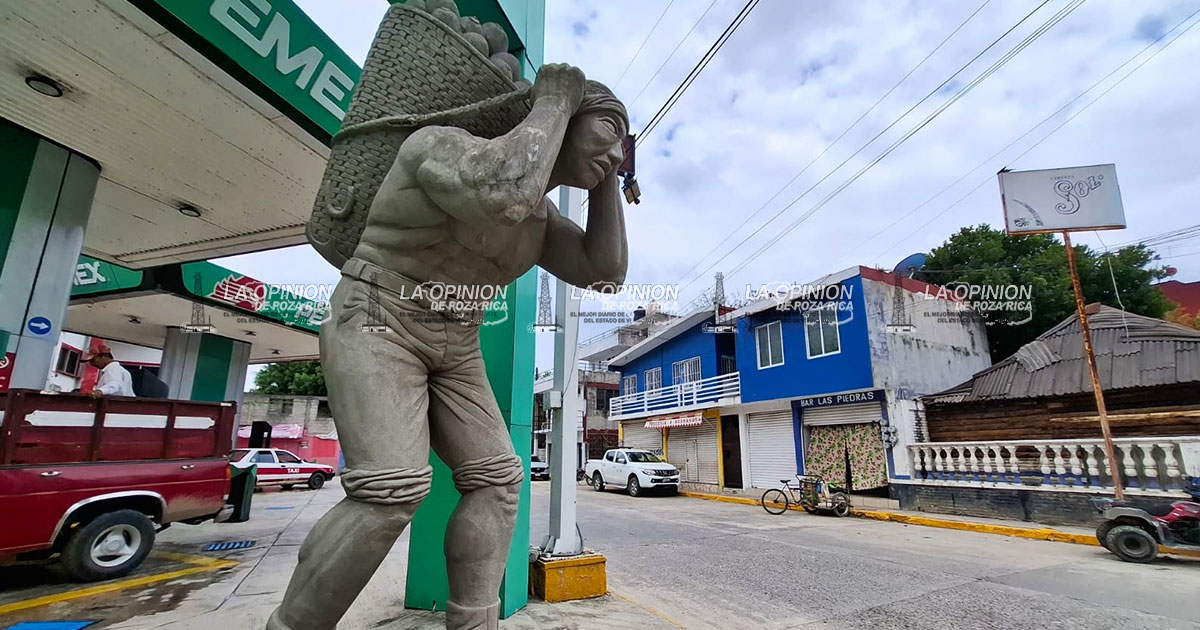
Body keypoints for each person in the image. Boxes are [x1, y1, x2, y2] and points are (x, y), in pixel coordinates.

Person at [270, 64, 629, 630]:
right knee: (391, 490)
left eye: (624, 140)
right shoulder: (441, 146)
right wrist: (557, 99)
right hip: (378, 315)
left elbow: (604, 271)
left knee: (498, 481)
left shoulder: (544, 220)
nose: (618, 149)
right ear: (566, 113)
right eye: (610, 127)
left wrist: (610, 175)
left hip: (457, 340)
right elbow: (505, 194)